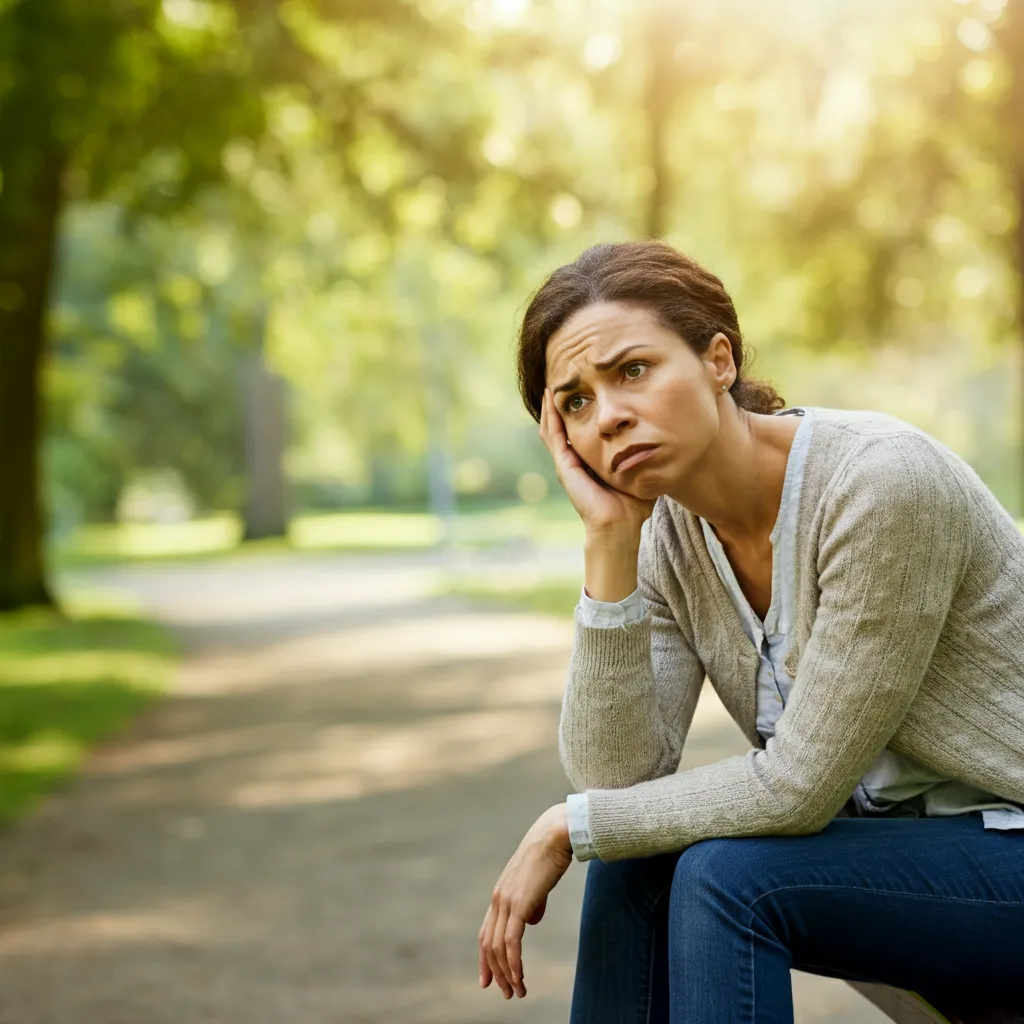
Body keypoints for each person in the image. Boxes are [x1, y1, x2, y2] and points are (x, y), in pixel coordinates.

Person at [476, 240, 1024, 1023]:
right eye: (576, 403)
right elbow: (618, 778)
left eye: (632, 370)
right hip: (907, 861)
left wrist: (572, 824)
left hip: (1011, 842)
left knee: (724, 877)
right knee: (635, 863)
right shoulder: (664, 536)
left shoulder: (880, 486)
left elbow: (797, 787)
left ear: (718, 360)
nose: (611, 415)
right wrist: (609, 544)